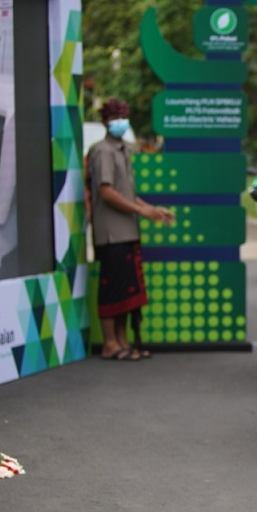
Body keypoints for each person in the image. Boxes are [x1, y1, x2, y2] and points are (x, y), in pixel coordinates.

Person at [88, 99, 175, 361]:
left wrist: (152, 210)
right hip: (111, 233)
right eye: (115, 117)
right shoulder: (102, 151)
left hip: (127, 231)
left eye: (123, 116)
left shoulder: (123, 150)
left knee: (127, 290)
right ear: (105, 121)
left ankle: (123, 341)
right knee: (112, 288)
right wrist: (141, 211)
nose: (120, 121)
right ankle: (110, 343)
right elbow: (106, 192)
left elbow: (127, 193)